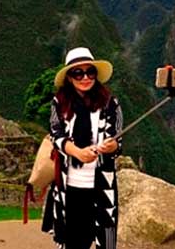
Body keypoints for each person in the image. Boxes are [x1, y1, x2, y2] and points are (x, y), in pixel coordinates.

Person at [42, 47, 123, 249]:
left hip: (102, 186)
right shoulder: (59, 103)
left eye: (90, 72)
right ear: (69, 77)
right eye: (78, 73)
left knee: (106, 240)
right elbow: (56, 135)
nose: (85, 77)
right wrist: (77, 152)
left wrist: (111, 146)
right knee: (72, 242)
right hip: (70, 188)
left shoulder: (110, 104)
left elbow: (118, 141)